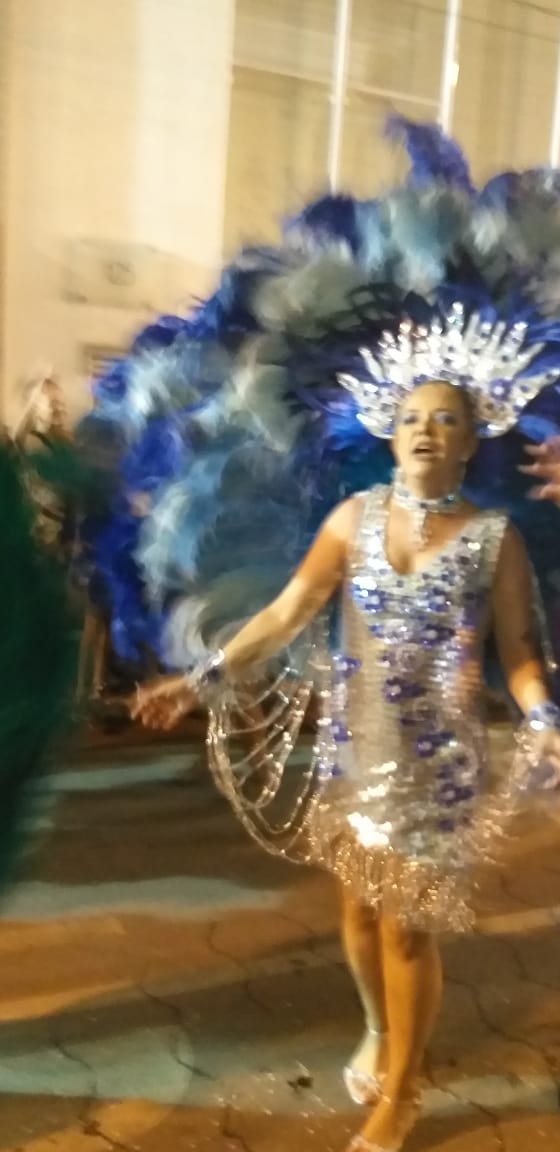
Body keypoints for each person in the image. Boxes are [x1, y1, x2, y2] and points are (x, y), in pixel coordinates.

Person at [76, 118, 560, 1152]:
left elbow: (518, 652)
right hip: (352, 749)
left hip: (436, 765)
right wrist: (200, 678)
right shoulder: (350, 521)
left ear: (472, 441)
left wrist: (541, 714)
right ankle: (378, 1031)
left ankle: (403, 1093)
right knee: (356, 912)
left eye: (447, 420)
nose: (427, 430)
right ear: (389, 428)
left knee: (409, 925)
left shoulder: (494, 538)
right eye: (414, 416)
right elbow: (287, 614)